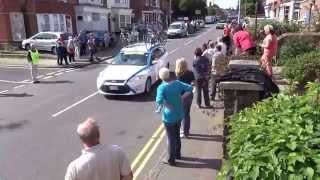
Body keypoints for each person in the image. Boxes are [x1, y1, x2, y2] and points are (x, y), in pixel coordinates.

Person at [65, 118, 133, 180]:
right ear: (98, 134)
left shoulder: (74, 168)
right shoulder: (117, 152)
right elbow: (128, 177)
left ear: (82, 140)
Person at [156, 68, 193, 166]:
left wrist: (166, 103)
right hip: (179, 114)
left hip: (169, 117)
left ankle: (171, 160)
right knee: (177, 135)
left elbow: (159, 101)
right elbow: (190, 88)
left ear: (161, 77)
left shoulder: (162, 87)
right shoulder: (177, 83)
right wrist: (182, 97)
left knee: (170, 138)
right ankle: (178, 154)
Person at [175, 58, 195, 138]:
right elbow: (194, 83)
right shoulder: (190, 72)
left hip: (181, 96)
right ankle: (186, 131)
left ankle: (183, 132)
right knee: (187, 114)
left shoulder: (178, 74)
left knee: (182, 114)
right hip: (189, 95)